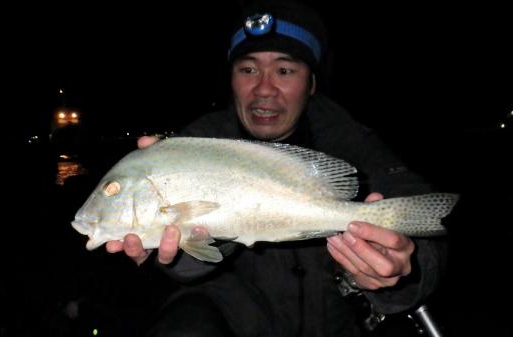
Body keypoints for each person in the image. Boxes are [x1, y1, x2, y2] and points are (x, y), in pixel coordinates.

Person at [106, 1, 447, 336]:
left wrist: (406, 264)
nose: (264, 89)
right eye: (248, 69)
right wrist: (184, 252)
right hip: (231, 315)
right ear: (231, 79)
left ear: (311, 83)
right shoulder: (195, 145)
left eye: (284, 71)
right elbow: (187, 264)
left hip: (335, 319)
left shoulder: (349, 140)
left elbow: (415, 210)